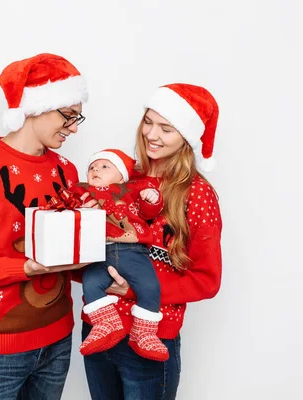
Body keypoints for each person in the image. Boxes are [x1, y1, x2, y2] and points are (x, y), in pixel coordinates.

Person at [0, 53, 95, 400]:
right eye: (67, 116)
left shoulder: (66, 171)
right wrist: (25, 266)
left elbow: (66, 258)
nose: (74, 128)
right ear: (37, 107)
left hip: (57, 338)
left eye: (77, 117)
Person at [81, 83, 223, 400]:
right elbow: (89, 261)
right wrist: (83, 227)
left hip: (150, 339)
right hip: (97, 330)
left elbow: (206, 280)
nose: (152, 135)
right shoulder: (119, 177)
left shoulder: (197, 193)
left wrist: (133, 289)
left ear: (186, 136)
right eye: (148, 122)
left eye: (166, 128)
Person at [75, 149, 169, 361]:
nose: (96, 169)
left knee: (150, 286)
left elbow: (148, 212)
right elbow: (69, 214)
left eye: (105, 166)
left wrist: (151, 198)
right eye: (92, 167)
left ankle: (144, 333)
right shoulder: (83, 192)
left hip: (131, 251)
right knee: (90, 283)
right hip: (98, 254)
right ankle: (106, 323)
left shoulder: (130, 190)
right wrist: (79, 209)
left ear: (121, 176)